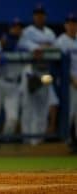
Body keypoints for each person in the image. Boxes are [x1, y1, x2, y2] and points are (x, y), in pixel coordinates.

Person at [18, 5, 59, 145]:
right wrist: (37, 47)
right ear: (33, 16)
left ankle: (38, 142)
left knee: (43, 107)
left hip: (45, 74)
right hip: (31, 70)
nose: (39, 17)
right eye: (37, 14)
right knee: (28, 106)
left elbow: (56, 48)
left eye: (41, 14)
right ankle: (26, 140)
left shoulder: (50, 33)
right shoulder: (28, 32)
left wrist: (43, 48)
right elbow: (22, 44)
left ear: (45, 16)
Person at [0, 18, 24, 137]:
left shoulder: (25, 43)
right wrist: (1, 49)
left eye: (19, 27)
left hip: (14, 84)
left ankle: (5, 141)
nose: (16, 30)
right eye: (14, 27)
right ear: (10, 29)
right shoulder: (2, 42)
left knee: (13, 118)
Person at [55, 14, 77, 148]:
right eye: (69, 23)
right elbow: (60, 65)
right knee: (68, 112)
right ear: (65, 25)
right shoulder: (60, 41)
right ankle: (66, 141)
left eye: (74, 23)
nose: (72, 25)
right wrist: (71, 79)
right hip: (68, 82)